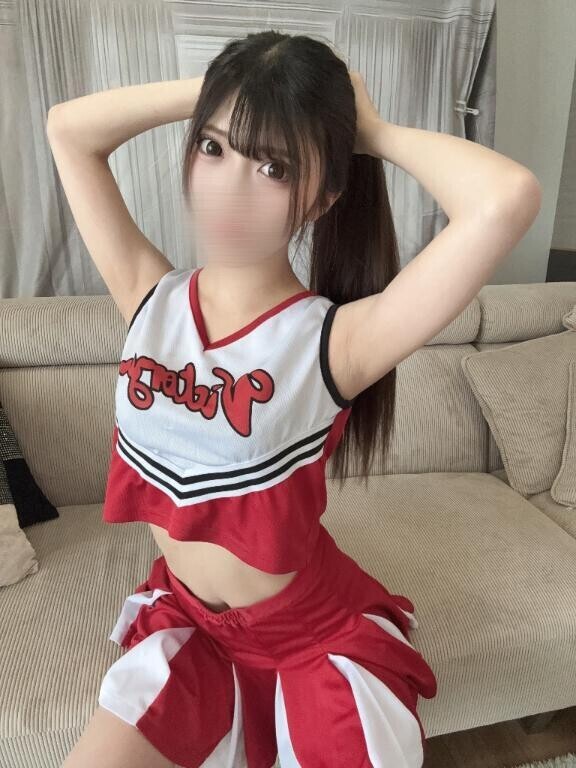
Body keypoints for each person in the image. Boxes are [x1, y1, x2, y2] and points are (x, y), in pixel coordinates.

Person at [47, 29, 541, 768]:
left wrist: (367, 130)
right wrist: (233, 91)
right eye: (213, 148)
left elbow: (507, 198)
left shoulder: (335, 340)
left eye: (273, 167)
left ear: (323, 196)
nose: (228, 188)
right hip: (193, 627)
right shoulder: (147, 296)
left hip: (312, 637)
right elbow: (68, 130)